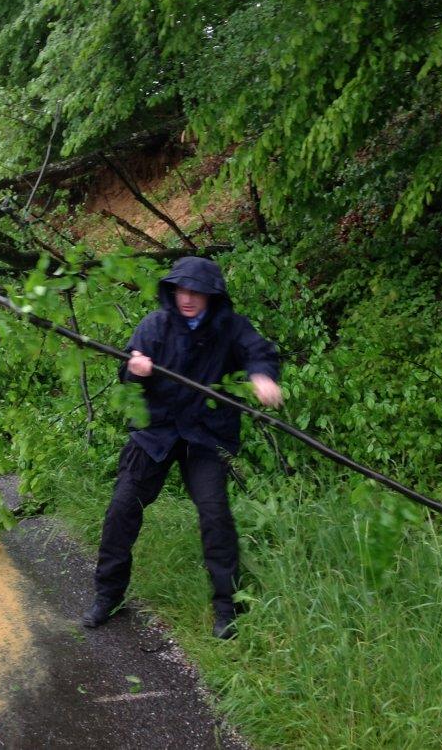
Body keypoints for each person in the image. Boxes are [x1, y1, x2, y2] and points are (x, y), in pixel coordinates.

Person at [82, 256, 282, 639]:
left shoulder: (229, 328)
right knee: (122, 508)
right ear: (171, 290)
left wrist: (262, 376)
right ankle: (107, 596)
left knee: (215, 515)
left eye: (196, 292)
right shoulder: (154, 326)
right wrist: (133, 369)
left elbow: (260, 352)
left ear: (212, 295)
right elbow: (127, 373)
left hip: (205, 436)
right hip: (155, 432)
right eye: (181, 290)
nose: (187, 298)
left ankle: (227, 609)